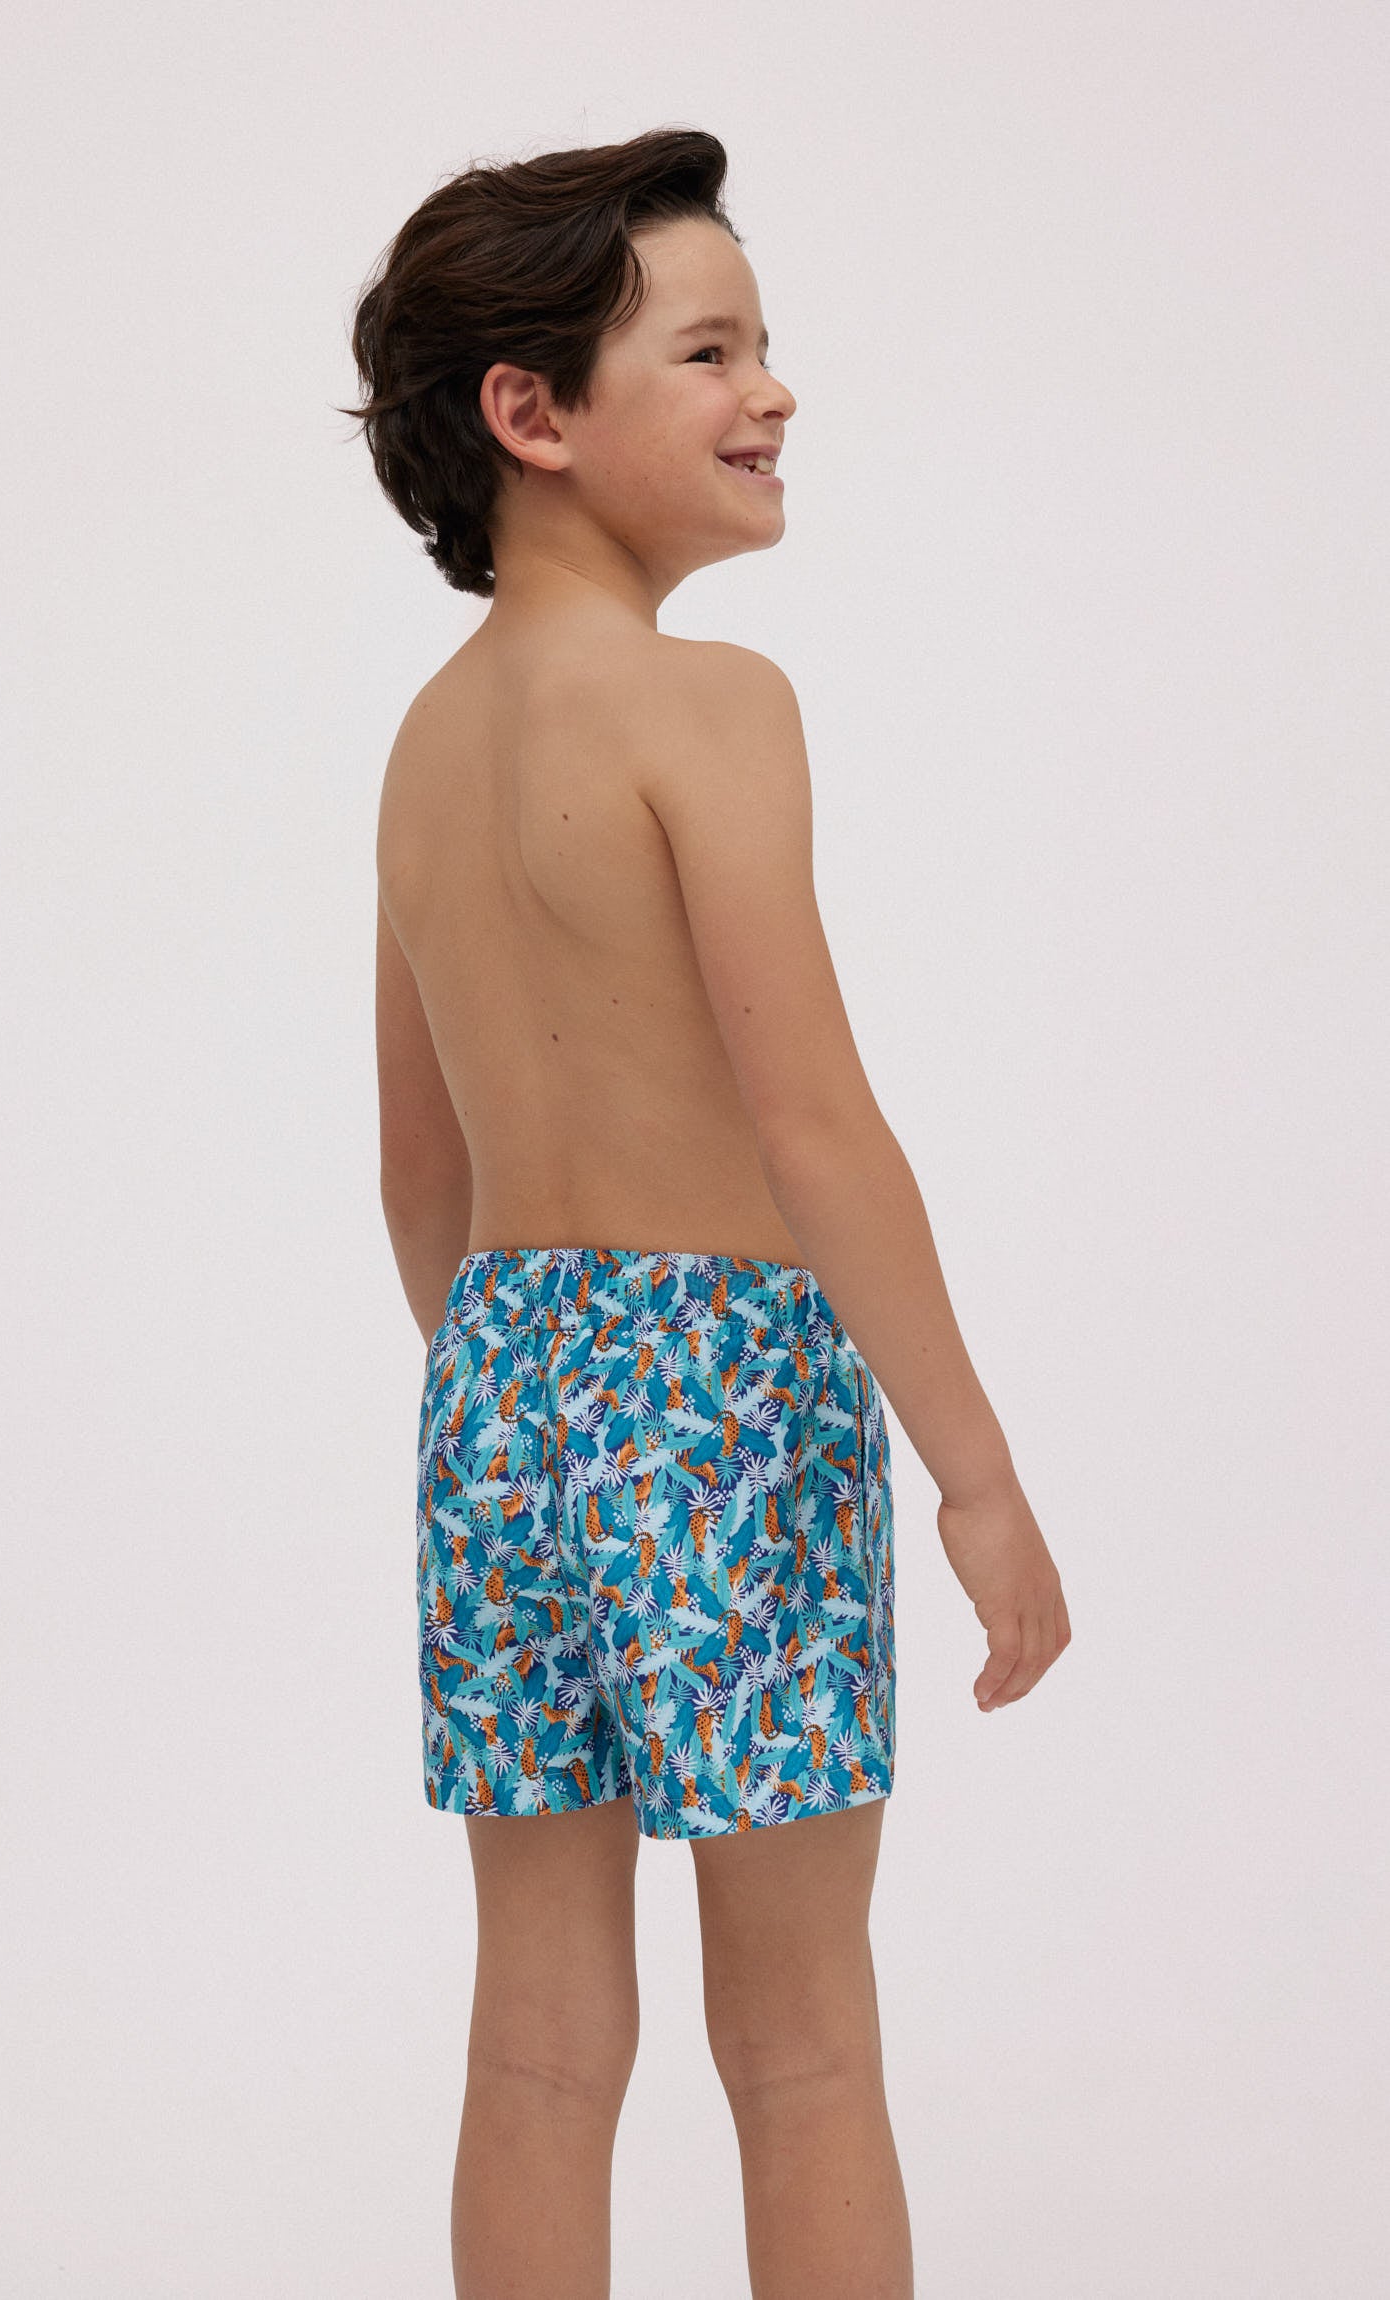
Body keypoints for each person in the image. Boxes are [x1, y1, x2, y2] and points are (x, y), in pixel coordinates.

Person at [343, 124, 1071, 2300]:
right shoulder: (708, 707)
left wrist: (529, 1413)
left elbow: (416, 1171)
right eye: (711, 350)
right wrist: (971, 1475)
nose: (772, 391)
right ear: (532, 413)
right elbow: (815, 1125)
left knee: (538, 2045)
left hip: (495, 1389)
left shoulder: (425, 746)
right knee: (803, 2047)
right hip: (728, 1389)